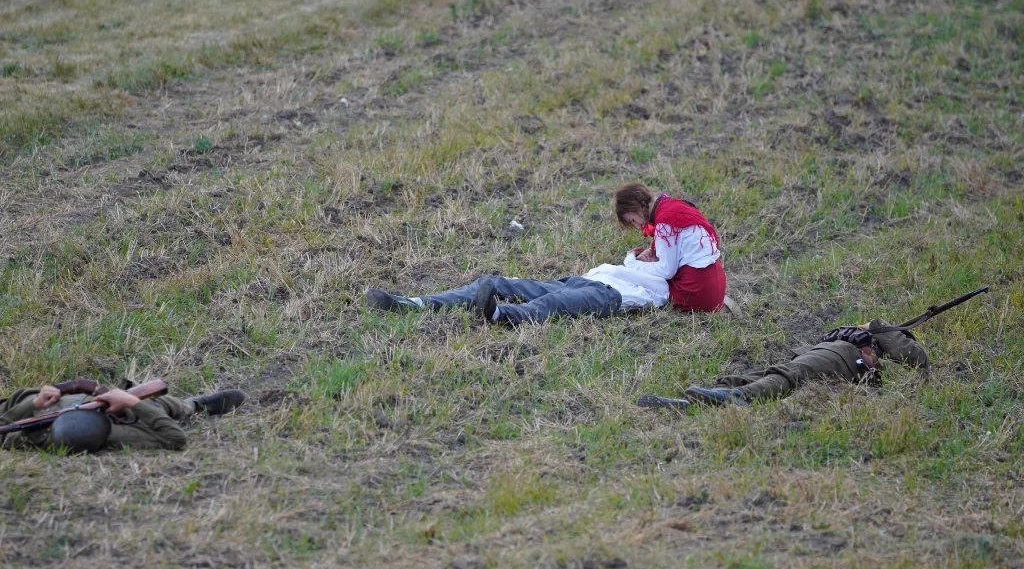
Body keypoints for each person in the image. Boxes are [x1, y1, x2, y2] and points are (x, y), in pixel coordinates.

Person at [636, 319, 929, 409]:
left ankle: (740, 398)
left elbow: (918, 359)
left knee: (790, 374)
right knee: (760, 374)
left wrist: (878, 326)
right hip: (830, 354)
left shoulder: (886, 337)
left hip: (846, 358)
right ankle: (694, 402)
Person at [367, 260, 672, 326]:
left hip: (609, 297)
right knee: (498, 281)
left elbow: (670, 281)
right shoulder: (639, 259)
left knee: (551, 303)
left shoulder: (664, 280)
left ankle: (500, 315)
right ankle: (414, 304)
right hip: (580, 280)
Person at [0, 380, 246, 452]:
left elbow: (5, 422)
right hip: (131, 408)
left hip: (22, 403)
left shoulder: (33, 414)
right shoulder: (120, 434)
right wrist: (131, 402)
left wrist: (36, 402)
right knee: (166, 406)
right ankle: (194, 405)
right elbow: (175, 438)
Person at [613, 183, 727, 313]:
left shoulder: (665, 221)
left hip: (695, 294)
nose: (638, 227)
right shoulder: (671, 205)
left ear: (638, 207)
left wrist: (632, 263)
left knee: (637, 286)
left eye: (633, 220)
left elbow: (666, 271)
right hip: (716, 290)